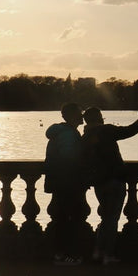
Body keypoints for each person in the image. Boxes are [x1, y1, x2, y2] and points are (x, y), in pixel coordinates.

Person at [81, 107, 138, 265]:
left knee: (106, 218)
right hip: (114, 180)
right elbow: (129, 131)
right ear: (99, 118)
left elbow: (84, 162)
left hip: (99, 182)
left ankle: (98, 251)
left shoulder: (85, 137)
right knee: (112, 219)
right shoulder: (106, 130)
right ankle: (108, 254)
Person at [43, 102, 88, 266]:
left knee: (61, 218)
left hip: (58, 181)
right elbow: (69, 159)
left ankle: (59, 254)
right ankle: (68, 256)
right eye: (79, 113)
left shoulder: (60, 132)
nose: (82, 116)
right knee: (71, 219)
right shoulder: (69, 134)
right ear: (70, 116)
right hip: (69, 182)